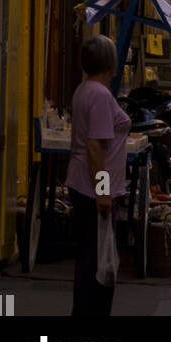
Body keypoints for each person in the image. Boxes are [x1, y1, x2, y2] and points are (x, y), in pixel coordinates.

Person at [66, 35, 131, 317]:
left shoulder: (84, 89)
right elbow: (95, 146)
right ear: (110, 63)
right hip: (93, 190)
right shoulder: (101, 95)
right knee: (97, 262)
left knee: (88, 259)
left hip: (81, 184)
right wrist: (103, 192)